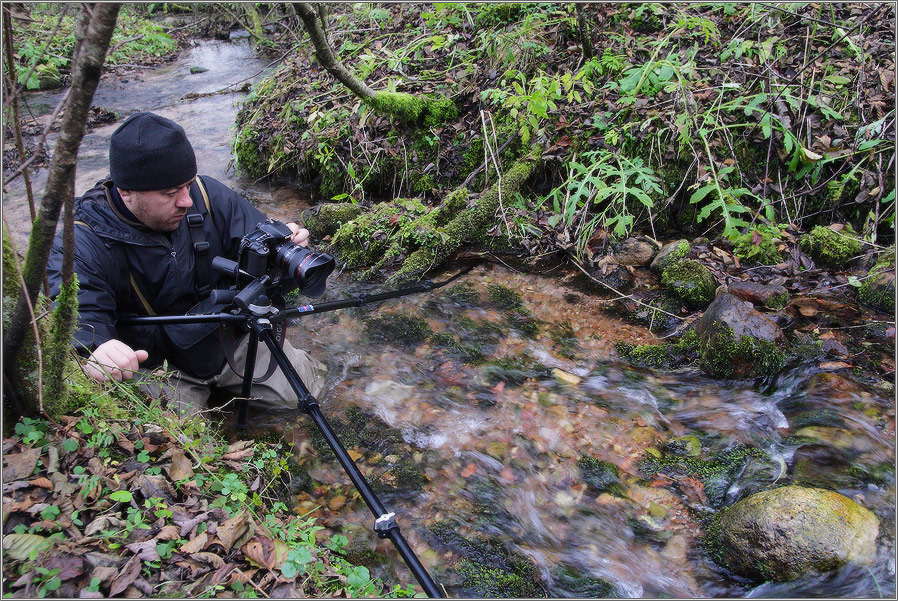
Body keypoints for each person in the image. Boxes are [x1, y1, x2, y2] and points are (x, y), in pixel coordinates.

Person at [46, 112, 327, 413]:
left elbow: (268, 272)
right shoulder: (80, 243)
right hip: (158, 367)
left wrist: (285, 252)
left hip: (229, 341)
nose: (186, 201)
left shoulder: (206, 195)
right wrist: (97, 348)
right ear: (126, 191)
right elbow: (80, 319)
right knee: (182, 448)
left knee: (307, 395)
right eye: (170, 194)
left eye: (187, 185)